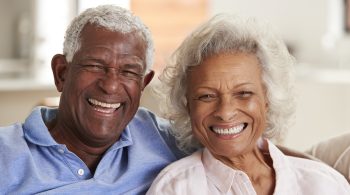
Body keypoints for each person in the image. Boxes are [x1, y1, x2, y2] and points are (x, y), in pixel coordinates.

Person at [147, 14, 350, 194]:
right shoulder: (175, 188)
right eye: (207, 96)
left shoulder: (323, 184)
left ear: (267, 99)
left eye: (243, 93)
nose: (225, 112)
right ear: (188, 105)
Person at [0, 5, 185, 194]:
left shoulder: (169, 140)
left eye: (128, 72)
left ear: (143, 84)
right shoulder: (5, 154)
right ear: (61, 73)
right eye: (94, 66)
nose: (110, 85)